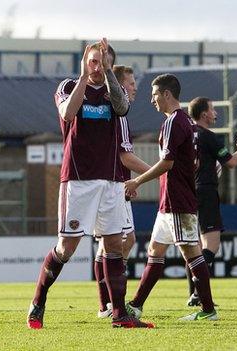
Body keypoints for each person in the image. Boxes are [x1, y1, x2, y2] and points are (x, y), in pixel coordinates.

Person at [27, 38, 154, 329]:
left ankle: (119, 314)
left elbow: (122, 108)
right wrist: (84, 77)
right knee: (66, 248)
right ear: (85, 61)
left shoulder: (115, 90)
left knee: (113, 244)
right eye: (93, 60)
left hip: (110, 181)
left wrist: (109, 74)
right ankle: (38, 302)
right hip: (78, 180)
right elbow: (67, 114)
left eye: (102, 61)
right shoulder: (69, 86)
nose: (97, 66)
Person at [124, 73, 218, 321]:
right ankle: (135, 305)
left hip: (178, 201)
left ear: (167, 94)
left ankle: (208, 310)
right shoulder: (184, 122)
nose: (152, 99)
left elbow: (167, 163)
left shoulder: (176, 122)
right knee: (155, 250)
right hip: (170, 201)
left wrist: (137, 181)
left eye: (155, 94)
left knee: (192, 254)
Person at [93, 65, 151, 319]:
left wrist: (131, 183)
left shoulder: (118, 115)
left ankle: (109, 303)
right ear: (117, 86)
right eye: (130, 83)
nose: (135, 88)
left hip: (116, 184)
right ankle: (109, 303)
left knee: (114, 244)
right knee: (121, 243)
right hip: (110, 186)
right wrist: (155, 173)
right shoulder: (119, 116)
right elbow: (124, 156)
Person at [183, 96, 237, 307]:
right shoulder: (209, 136)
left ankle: (193, 294)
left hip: (186, 191)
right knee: (211, 244)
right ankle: (198, 294)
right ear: (204, 114)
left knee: (192, 247)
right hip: (206, 191)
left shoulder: (185, 133)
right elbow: (232, 163)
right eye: (213, 109)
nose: (215, 113)